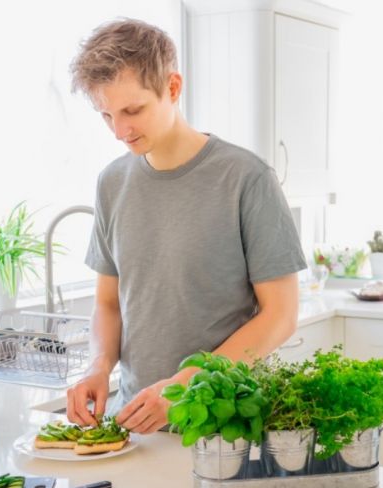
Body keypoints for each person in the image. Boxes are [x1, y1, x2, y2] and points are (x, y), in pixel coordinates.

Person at [67, 18, 307, 434]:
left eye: (133, 110)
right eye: (106, 115)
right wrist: (98, 366)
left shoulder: (245, 178)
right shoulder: (112, 182)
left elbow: (280, 315)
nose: (120, 130)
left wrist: (187, 382)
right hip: (137, 426)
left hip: (225, 427)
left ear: (173, 88)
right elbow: (108, 303)